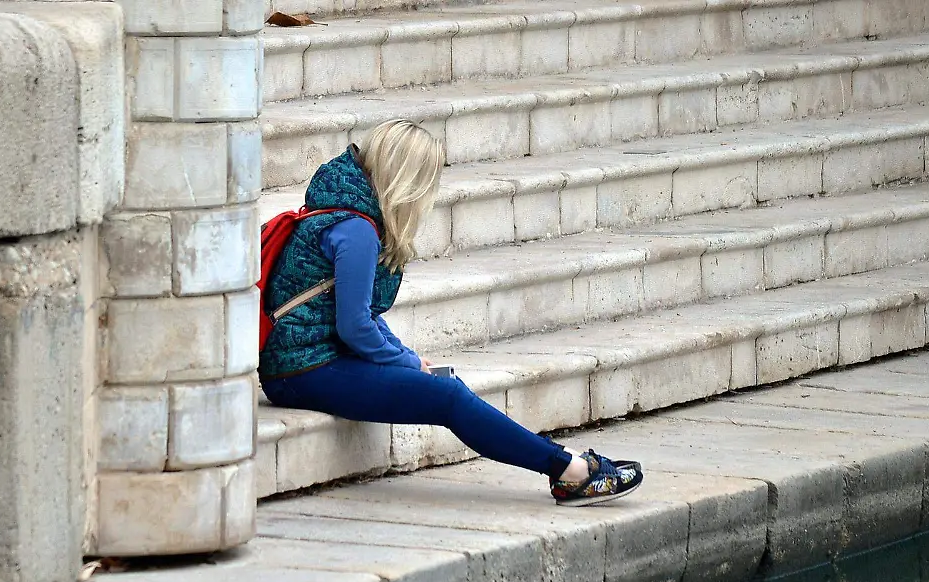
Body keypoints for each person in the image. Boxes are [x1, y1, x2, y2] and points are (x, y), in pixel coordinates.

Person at [258, 119, 643, 506]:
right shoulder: (356, 230)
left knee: (443, 383)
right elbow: (355, 326)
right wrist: (405, 360)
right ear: (407, 179)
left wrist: (405, 357)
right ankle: (569, 471)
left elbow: (363, 314)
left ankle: (563, 464)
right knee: (448, 396)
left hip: (313, 360)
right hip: (300, 371)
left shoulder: (346, 209)